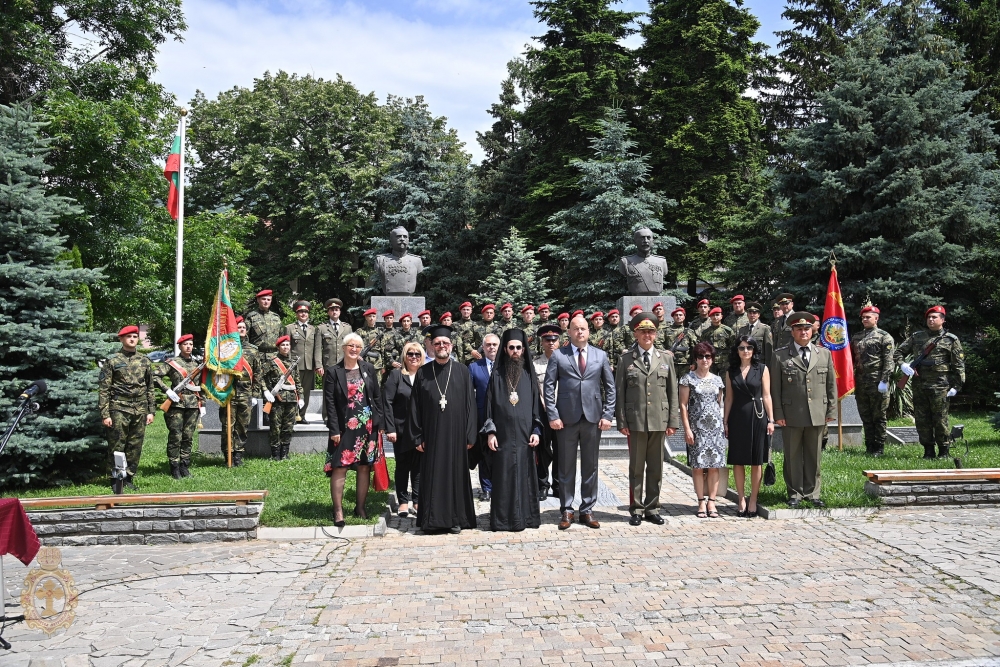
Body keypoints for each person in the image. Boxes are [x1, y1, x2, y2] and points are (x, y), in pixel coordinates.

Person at [543, 315, 616, 530]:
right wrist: (553, 415)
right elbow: (549, 387)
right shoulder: (558, 355)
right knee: (565, 466)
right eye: (575, 329)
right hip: (566, 419)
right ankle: (566, 509)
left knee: (590, 465)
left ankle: (587, 509)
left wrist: (608, 415)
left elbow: (610, 388)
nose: (580, 332)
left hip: (593, 418)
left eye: (583, 328)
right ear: (570, 332)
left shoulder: (600, 355)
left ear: (589, 331)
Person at [407, 325, 478, 534]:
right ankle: (432, 520)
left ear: (451, 346)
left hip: (457, 435)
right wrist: (417, 435)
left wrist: (470, 433)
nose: (441, 346)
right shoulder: (423, 373)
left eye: (445, 343)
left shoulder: (462, 371)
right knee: (433, 475)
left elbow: (470, 405)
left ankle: (455, 519)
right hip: (432, 435)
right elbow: (415, 407)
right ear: (431, 346)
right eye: (437, 343)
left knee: (455, 476)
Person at [615, 313, 679, 526]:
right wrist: (622, 422)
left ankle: (653, 508)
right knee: (636, 468)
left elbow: (673, 392)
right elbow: (620, 392)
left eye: (651, 331)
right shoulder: (626, 359)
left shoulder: (666, 358)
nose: (647, 335)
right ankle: (636, 509)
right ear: (636, 333)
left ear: (656, 334)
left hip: (659, 421)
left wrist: (672, 421)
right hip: (636, 422)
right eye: (643, 331)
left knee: (656, 467)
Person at [769, 312, 837, 507]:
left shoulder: (823, 353)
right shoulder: (780, 355)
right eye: (799, 329)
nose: (803, 332)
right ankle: (795, 493)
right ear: (792, 332)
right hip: (791, 414)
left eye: (807, 328)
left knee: (814, 455)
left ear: (812, 330)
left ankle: (813, 493)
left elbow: (831, 384)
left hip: (817, 413)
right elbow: (775, 388)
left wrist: (831, 411)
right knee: (792, 456)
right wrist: (778, 414)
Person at [482, 329, 544, 531]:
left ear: (524, 349)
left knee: (525, 477)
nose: (515, 351)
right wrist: (490, 432)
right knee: (504, 477)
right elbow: (488, 407)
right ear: (505, 350)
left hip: (526, 436)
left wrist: (536, 430)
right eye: (511, 348)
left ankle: (526, 518)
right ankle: (503, 520)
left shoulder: (528, 375)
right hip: (503, 437)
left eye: (519, 347)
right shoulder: (497, 376)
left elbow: (536, 406)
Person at [323, 332, 385, 527]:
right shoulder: (334, 372)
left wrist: (380, 423)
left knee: (365, 466)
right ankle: (338, 510)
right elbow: (330, 403)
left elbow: (376, 397)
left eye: (358, 346)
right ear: (343, 348)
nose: (354, 349)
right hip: (344, 428)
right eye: (350, 345)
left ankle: (360, 506)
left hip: (367, 427)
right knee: (340, 467)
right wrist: (334, 429)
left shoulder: (368, 368)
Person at [895, 305, 965, 459]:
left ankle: (944, 450)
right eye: (929, 317)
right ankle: (928, 450)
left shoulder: (951, 339)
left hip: (940, 386)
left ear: (943, 320)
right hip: (919, 385)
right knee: (922, 419)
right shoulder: (916, 337)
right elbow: (899, 352)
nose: (931, 320)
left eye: (935, 317)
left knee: (940, 419)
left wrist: (957, 386)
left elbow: (959, 365)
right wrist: (903, 364)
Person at [98, 325, 155, 490]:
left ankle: (129, 477)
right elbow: (104, 389)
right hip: (119, 408)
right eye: (129, 336)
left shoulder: (145, 361)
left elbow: (150, 387)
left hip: (140, 408)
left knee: (135, 445)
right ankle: (116, 479)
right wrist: (105, 413)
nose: (132, 339)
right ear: (121, 339)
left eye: (135, 337)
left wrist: (151, 411)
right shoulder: (113, 361)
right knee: (117, 444)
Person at [723, 336, 774, 518]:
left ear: (754, 350)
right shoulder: (731, 371)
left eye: (749, 347)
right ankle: (741, 498)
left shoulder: (762, 369)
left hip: (758, 416)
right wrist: (726, 421)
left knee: (755, 460)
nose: (746, 351)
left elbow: (767, 395)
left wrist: (771, 420)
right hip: (737, 417)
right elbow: (728, 398)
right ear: (737, 351)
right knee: (738, 459)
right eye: (742, 348)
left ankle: (753, 499)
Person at [679, 342, 726, 518]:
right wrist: (687, 429)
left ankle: (712, 502)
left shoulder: (718, 380)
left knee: (714, 466)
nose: (704, 360)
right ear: (696, 359)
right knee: (698, 467)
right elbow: (683, 406)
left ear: (712, 359)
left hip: (715, 430)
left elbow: (718, 404)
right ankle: (700, 502)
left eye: (708, 356)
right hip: (696, 428)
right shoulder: (687, 379)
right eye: (700, 356)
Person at [384, 341, 425, 518]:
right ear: (404, 357)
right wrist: (390, 428)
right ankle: (402, 501)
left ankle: (416, 501)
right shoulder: (395, 375)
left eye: (417, 354)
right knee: (402, 466)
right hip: (400, 430)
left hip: (420, 430)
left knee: (418, 467)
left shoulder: (427, 375)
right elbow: (387, 402)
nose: (414, 357)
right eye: (410, 354)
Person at [155, 333, 202, 479]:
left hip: (193, 404)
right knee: (176, 436)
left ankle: (185, 465)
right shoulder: (172, 363)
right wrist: (167, 390)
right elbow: (155, 376)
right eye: (185, 344)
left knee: (188, 436)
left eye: (190, 344)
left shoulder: (196, 365)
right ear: (180, 346)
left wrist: (203, 404)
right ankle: (174, 466)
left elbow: (202, 385)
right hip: (177, 404)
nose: (188, 347)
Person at [852, 305, 895, 456]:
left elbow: (889, 361)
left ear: (876, 318)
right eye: (863, 317)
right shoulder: (856, 337)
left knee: (879, 416)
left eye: (868, 317)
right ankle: (869, 446)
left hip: (877, 382)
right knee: (866, 416)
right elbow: (851, 360)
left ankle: (879, 447)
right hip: (861, 382)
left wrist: (884, 380)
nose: (864, 319)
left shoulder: (884, 336)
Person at [221, 316, 260, 466]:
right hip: (229, 393)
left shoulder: (253, 350)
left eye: (243, 327)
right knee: (227, 426)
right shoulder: (226, 348)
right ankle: (228, 455)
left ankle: (238, 455)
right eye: (239, 327)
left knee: (242, 426)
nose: (242, 329)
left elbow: (258, 373)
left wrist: (255, 395)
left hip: (246, 393)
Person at [469, 333, 501, 501]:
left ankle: (501, 485)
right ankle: (487, 488)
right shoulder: (474, 367)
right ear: (483, 347)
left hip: (503, 417)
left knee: (501, 452)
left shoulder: (505, 365)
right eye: (488, 345)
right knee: (485, 454)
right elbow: (468, 395)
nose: (491, 347)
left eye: (495, 344)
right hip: (482, 417)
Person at [532, 324, 562, 501]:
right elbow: (535, 389)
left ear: (559, 341)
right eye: (547, 340)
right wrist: (543, 403)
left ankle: (558, 484)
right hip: (543, 413)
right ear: (542, 342)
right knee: (542, 450)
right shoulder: (536, 363)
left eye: (554, 340)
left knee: (560, 450)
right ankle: (542, 484)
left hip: (562, 413)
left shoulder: (566, 360)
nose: (551, 343)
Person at [263, 335, 303, 461]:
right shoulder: (272, 361)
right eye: (283, 345)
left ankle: (285, 453)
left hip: (291, 399)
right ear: (278, 347)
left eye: (287, 345)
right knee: (275, 427)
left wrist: (300, 397)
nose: (285, 347)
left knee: (288, 427)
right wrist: (266, 391)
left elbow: (297, 381)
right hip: (277, 398)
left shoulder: (293, 362)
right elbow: (261, 377)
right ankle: (275, 454)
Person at [285, 300, 320, 422]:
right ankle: (292, 415)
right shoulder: (289, 328)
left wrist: (317, 364)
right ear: (296, 313)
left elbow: (316, 348)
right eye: (301, 312)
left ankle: (302, 415)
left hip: (309, 365)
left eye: (305, 312)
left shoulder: (313, 329)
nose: (303, 314)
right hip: (295, 365)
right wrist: (287, 364)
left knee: (305, 392)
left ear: (308, 314)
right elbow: (286, 346)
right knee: (293, 391)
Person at [316, 297, 352, 373]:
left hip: (344, 363)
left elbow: (351, 346)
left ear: (340, 312)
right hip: (328, 364)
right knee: (328, 385)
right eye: (332, 310)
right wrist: (319, 365)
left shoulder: (347, 328)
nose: (334, 312)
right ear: (328, 312)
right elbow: (318, 348)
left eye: (336, 310)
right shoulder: (321, 328)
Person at [244, 289, 283, 361]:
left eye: (268, 300)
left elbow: (281, 337)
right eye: (263, 299)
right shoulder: (251, 317)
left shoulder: (276, 317)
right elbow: (245, 337)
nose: (266, 302)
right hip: (257, 356)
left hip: (274, 357)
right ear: (258, 300)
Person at [700, 307, 736, 378]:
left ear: (721, 316)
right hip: (711, 361)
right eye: (713, 315)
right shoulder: (705, 332)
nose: (715, 317)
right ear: (710, 317)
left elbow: (732, 345)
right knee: (711, 382)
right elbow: (702, 347)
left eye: (717, 315)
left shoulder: (727, 330)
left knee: (726, 383)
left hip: (725, 361)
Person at [664, 307, 692, 379]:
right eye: (676, 315)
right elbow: (658, 343)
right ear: (673, 317)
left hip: (685, 363)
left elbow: (694, 347)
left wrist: (694, 363)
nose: (678, 316)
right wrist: (665, 352)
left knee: (684, 385)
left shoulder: (689, 331)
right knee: (670, 386)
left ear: (684, 317)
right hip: (670, 362)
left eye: (680, 315)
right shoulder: (666, 330)